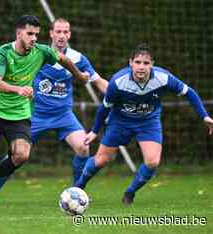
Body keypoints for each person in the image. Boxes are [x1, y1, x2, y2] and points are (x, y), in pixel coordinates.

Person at [0, 15, 92, 216]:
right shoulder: (3, 52)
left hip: (19, 113)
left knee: (22, 154)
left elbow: (63, 59)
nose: (34, 38)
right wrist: (18, 89)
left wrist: (78, 75)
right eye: (29, 34)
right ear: (19, 34)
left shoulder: (41, 51)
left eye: (36, 34)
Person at [0, 18, 108, 205]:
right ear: (50, 33)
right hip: (35, 114)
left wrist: (120, 95)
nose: (62, 36)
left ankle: (77, 193)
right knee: (17, 154)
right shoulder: (37, 53)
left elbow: (100, 82)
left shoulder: (78, 58)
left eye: (66, 32)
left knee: (83, 147)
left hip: (63, 115)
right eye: (58, 31)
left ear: (70, 34)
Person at [74, 43, 213, 205]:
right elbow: (104, 108)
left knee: (152, 162)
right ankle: (78, 187)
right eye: (138, 62)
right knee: (101, 160)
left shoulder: (163, 78)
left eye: (146, 63)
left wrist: (204, 116)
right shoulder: (118, 82)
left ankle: (130, 193)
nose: (141, 67)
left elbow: (189, 92)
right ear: (130, 63)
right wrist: (95, 131)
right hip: (120, 122)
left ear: (152, 64)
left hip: (148, 122)